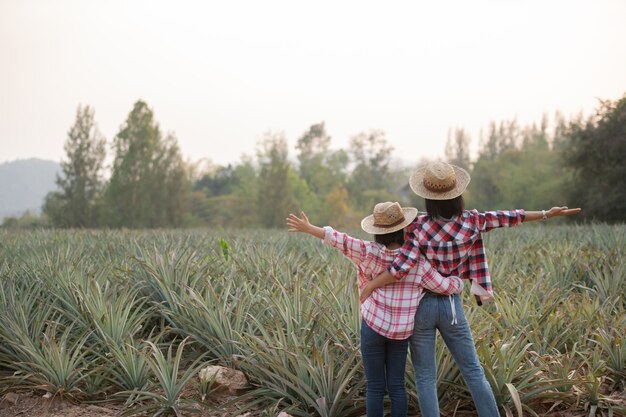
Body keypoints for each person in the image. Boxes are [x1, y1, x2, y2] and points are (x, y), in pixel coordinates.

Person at [361, 161, 582, 417]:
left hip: (421, 305)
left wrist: (371, 285)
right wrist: (546, 213)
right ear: (457, 195)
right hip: (452, 305)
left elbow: (399, 268)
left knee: (425, 376)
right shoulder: (473, 221)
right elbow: (510, 217)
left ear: (429, 199)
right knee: (473, 371)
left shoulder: (418, 228)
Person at [286, 202, 464, 417]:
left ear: (378, 232)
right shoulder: (417, 262)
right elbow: (445, 287)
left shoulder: (368, 252)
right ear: (403, 229)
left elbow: (339, 240)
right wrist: (461, 281)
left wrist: (309, 228)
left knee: (375, 386)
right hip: (400, 333)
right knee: (397, 386)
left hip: (373, 327)